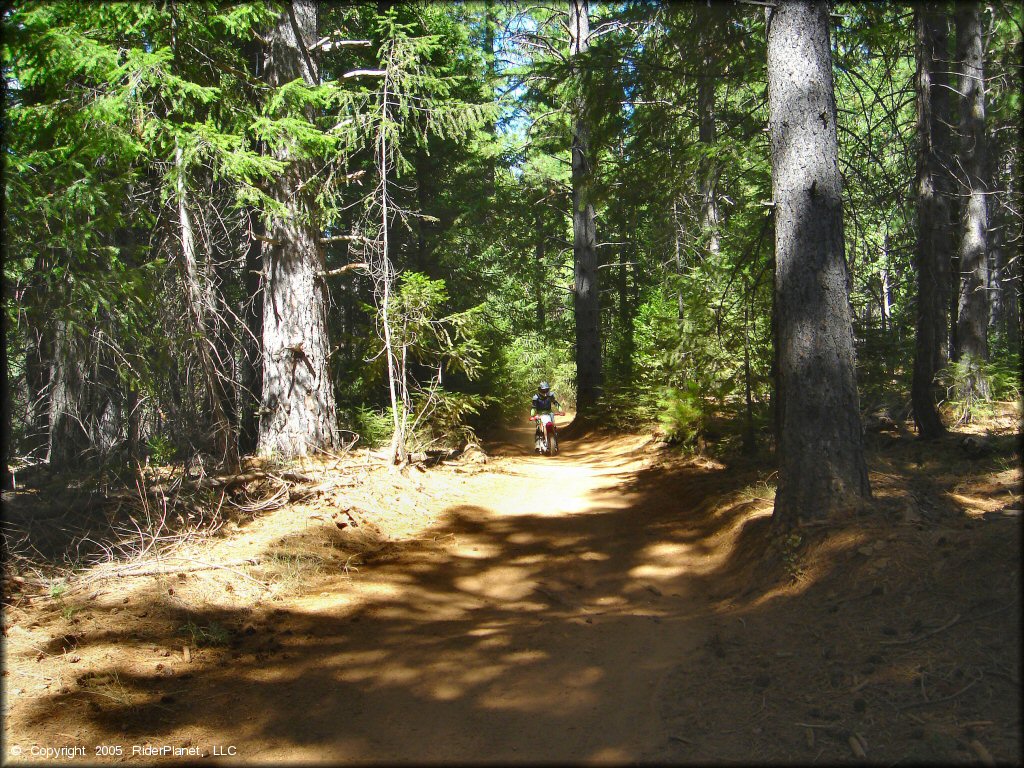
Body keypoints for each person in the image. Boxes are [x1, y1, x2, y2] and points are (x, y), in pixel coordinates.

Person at [530, 381, 565, 452]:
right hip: (539, 414)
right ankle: (537, 444)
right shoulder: (536, 397)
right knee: (539, 429)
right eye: (543, 390)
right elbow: (533, 407)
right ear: (540, 389)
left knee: (554, 427)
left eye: (546, 390)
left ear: (548, 389)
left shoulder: (550, 395)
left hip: (549, 413)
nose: (545, 392)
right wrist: (532, 415)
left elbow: (555, 403)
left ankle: (555, 443)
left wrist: (560, 410)